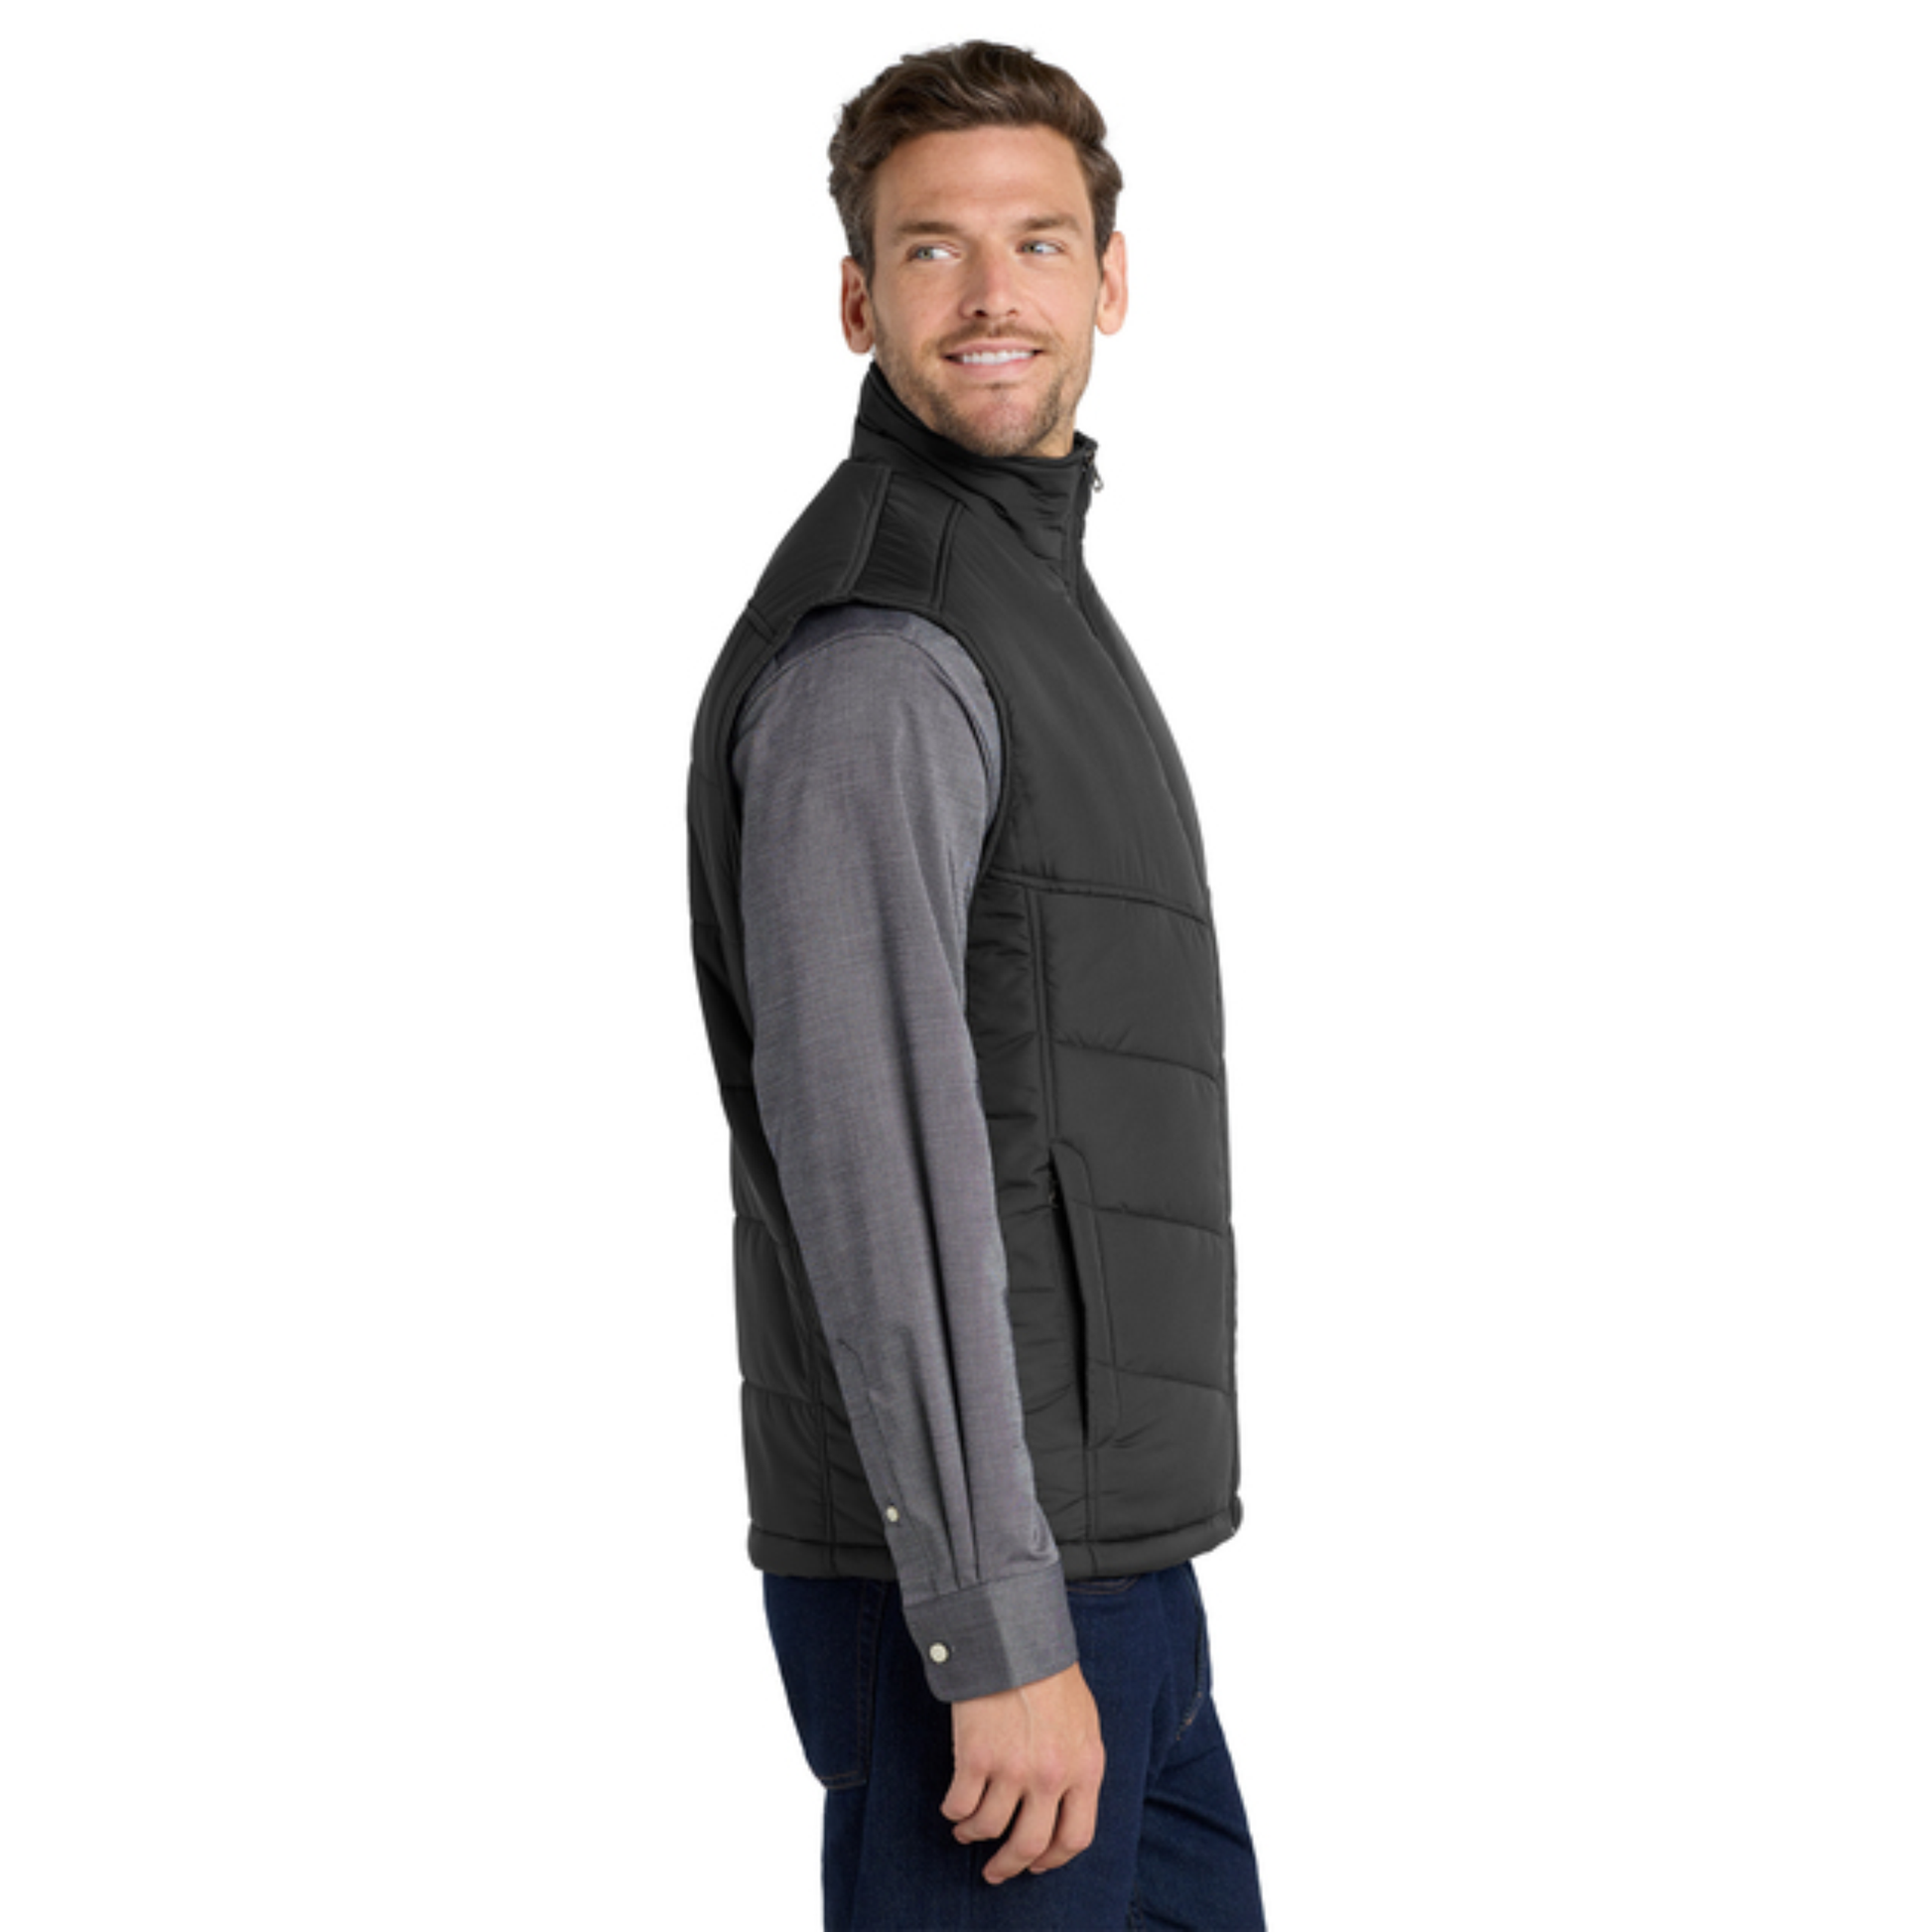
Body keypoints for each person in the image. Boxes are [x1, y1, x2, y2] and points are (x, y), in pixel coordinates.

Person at [687, 41, 1266, 1930]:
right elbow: (876, 1165)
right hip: (986, 1603)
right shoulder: (886, 644)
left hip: (1111, 1565)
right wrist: (991, 1624)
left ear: (1113, 277)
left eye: (1038, 240)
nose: (992, 293)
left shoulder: (1025, 592)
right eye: (932, 249)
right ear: (859, 300)